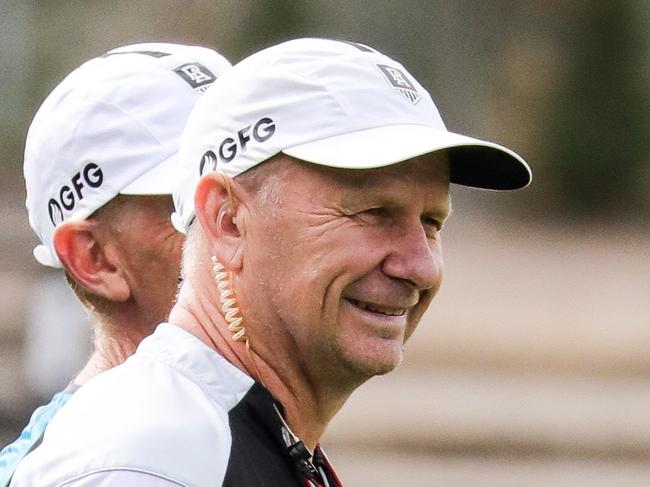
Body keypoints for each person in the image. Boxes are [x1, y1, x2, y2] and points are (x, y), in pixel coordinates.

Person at [10, 38, 531, 487]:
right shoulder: (148, 463)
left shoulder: (244, 434)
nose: (421, 266)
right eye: (372, 212)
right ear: (228, 220)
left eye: (433, 223)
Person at [0, 42, 231, 486]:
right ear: (95, 259)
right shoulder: (107, 467)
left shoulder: (235, 424)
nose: (243, 223)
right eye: (189, 204)